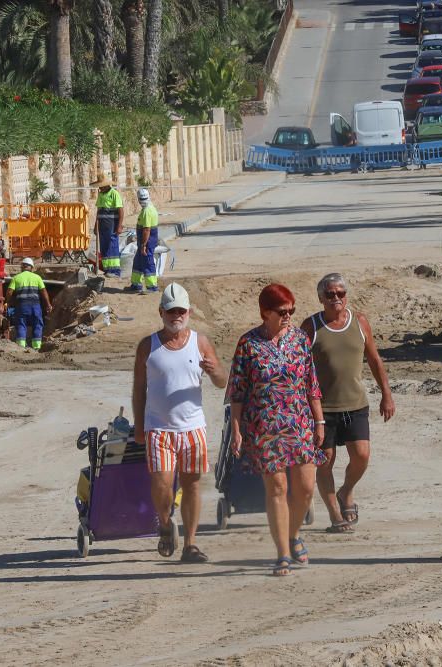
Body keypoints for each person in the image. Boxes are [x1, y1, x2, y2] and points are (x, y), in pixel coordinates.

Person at [227, 284, 326, 577]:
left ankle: (293, 533)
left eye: (292, 311)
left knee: (306, 488)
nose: (288, 316)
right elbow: (237, 392)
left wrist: (319, 421)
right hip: (264, 426)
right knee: (278, 489)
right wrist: (236, 429)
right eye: (283, 312)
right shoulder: (248, 344)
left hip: (299, 422)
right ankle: (282, 552)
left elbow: (312, 384)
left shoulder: (300, 339)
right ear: (265, 312)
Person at [132, 283, 227, 563]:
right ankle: (164, 523)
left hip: (192, 427)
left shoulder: (201, 343)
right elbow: (139, 389)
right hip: (158, 428)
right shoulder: (147, 346)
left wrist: (215, 372)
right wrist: (139, 425)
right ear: (161, 312)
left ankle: (191, 544)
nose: (176, 316)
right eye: (171, 311)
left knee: (192, 484)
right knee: (163, 483)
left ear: (189, 312)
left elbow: (223, 382)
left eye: (181, 311)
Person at [301, 273, 395, 533]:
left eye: (340, 293)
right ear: (321, 298)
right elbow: (297, 366)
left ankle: (346, 492)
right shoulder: (310, 326)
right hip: (322, 408)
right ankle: (334, 515)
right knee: (325, 460)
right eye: (330, 294)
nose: (336, 299)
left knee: (362, 455)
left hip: (355, 403)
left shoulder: (360, 322)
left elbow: (375, 360)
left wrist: (386, 393)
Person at [5, 257, 51, 350]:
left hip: (22, 306)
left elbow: (9, 292)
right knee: (37, 324)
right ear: (32, 267)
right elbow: (44, 292)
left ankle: (21, 347)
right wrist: (48, 304)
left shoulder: (16, 278)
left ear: (22, 267)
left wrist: (8, 303)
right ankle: (37, 347)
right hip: (35, 306)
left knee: (21, 324)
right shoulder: (37, 278)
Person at [127, 188, 159, 294]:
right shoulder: (150, 207)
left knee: (147, 262)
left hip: (147, 242)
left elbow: (146, 230)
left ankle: (152, 287)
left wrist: (144, 245)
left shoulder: (146, 211)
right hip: (145, 241)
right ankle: (136, 284)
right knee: (138, 262)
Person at [92, 174, 124, 277]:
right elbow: (99, 211)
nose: (100, 188)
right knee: (104, 246)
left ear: (106, 185)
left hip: (112, 224)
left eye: (101, 186)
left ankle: (114, 271)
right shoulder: (101, 194)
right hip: (102, 224)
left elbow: (121, 210)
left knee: (112, 245)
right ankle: (107, 269)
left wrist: (119, 226)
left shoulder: (114, 194)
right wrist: (95, 225)